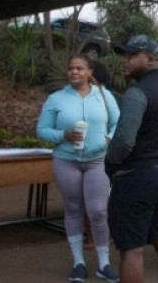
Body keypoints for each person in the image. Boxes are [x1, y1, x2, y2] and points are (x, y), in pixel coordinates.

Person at [37, 54, 120, 282]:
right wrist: (62, 135)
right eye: (71, 68)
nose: (74, 72)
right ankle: (78, 262)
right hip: (66, 160)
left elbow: (117, 123)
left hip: (97, 160)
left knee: (99, 211)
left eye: (80, 68)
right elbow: (42, 130)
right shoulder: (56, 99)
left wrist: (109, 140)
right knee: (73, 208)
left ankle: (104, 264)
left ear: (89, 71)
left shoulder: (104, 95)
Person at [106, 35, 158, 283]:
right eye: (124, 55)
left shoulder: (137, 92)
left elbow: (125, 140)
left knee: (132, 249)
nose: (124, 61)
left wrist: (111, 163)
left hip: (138, 176)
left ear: (150, 59)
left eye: (131, 55)